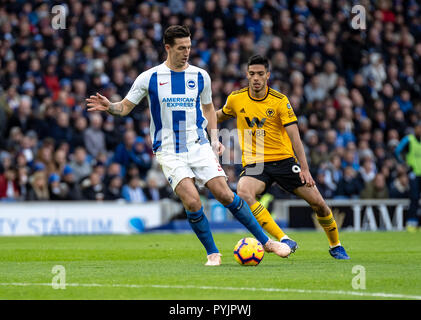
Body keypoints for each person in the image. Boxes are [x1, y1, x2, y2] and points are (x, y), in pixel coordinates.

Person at [85, 25, 289, 266]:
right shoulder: (149, 77)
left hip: (198, 145)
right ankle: (213, 253)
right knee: (192, 201)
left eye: (189, 47)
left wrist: (214, 138)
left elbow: (209, 109)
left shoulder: (201, 76)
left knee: (224, 193)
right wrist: (110, 106)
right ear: (168, 48)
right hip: (169, 150)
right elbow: (125, 107)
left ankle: (266, 242)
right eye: (182, 48)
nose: (187, 52)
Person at [216, 55, 350, 259]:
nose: (256, 78)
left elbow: (295, 137)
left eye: (260, 74)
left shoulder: (280, 101)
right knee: (243, 191)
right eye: (252, 74)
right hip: (255, 163)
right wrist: (197, 115)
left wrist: (304, 168)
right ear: (247, 75)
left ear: (268, 75)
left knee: (319, 204)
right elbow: (218, 115)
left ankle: (335, 245)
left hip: (284, 161)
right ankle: (283, 238)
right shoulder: (236, 98)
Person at [395, 121, 421, 231]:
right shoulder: (409, 139)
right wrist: (404, 163)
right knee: (414, 198)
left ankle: (418, 223)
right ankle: (411, 222)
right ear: (415, 128)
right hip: (413, 173)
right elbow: (397, 151)